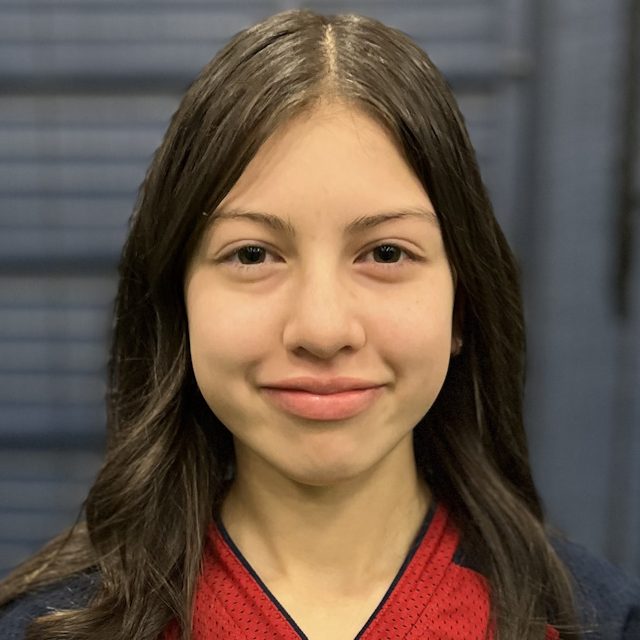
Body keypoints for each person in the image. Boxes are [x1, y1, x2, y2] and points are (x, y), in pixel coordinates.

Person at [0, 8, 638, 640]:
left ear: (461, 306)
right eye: (253, 255)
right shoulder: (49, 628)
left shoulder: (595, 621)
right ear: (177, 304)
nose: (323, 329)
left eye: (386, 253)